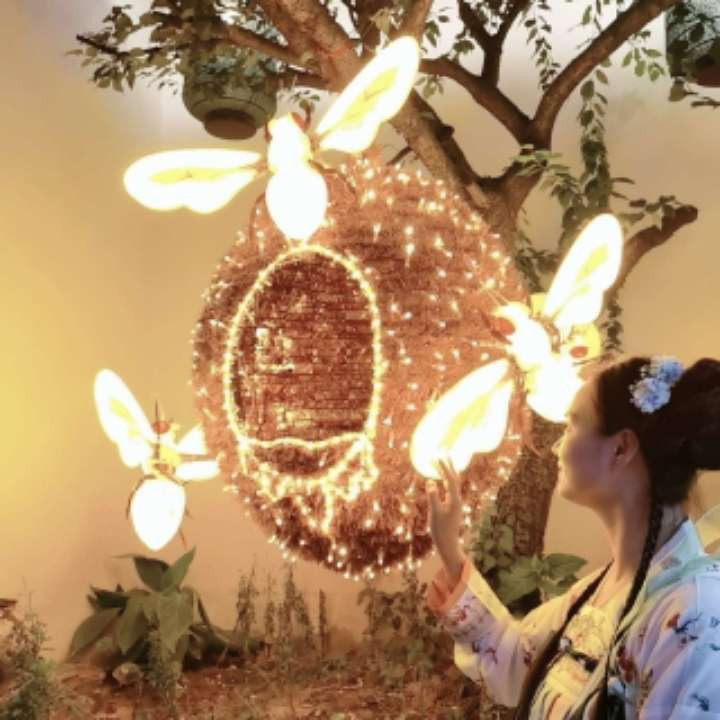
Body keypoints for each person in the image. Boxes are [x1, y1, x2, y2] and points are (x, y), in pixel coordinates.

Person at [426, 355, 720, 719]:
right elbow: (517, 661)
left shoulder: (698, 613)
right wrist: (449, 547)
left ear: (620, 448)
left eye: (571, 424)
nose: (555, 447)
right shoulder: (596, 592)